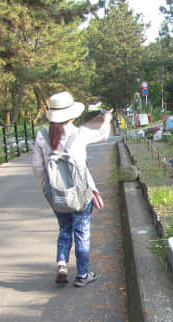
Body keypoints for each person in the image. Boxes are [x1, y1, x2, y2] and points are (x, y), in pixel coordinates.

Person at [32, 91, 113, 287]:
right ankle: (82, 274)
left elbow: (37, 166)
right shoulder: (80, 133)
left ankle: (61, 264)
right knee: (81, 231)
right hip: (79, 194)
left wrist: (48, 188)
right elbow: (102, 136)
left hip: (56, 195)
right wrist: (107, 119)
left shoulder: (42, 136)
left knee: (65, 228)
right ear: (72, 115)